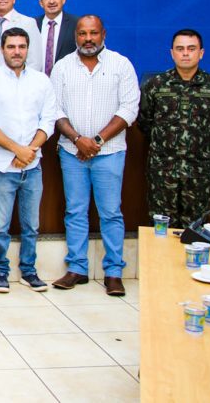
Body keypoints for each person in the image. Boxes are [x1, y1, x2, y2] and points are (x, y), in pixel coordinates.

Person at [51, 15, 139, 296]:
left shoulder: (121, 65)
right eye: (82, 33)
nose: (88, 39)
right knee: (75, 211)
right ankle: (77, 269)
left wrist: (96, 141)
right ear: (75, 36)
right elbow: (55, 109)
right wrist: (78, 140)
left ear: (103, 34)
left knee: (110, 212)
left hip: (109, 152)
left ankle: (113, 272)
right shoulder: (63, 67)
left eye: (93, 33)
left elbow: (129, 108)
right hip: (72, 152)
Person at [0, 27, 58, 293]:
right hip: (2, 165)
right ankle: (1, 270)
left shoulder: (42, 81)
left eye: (22, 46)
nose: (17, 52)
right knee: (0, 225)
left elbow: (48, 120)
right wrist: (16, 150)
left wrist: (29, 151)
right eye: (11, 46)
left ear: (28, 49)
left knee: (31, 225)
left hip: (33, 165)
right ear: (2, 49)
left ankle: (29, 271)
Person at [138, 29, 210, 227]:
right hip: (163, 171)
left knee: (197, 230)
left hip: (200, 171)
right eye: (180, 49)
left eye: (191, 48)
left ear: (201, 53)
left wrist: (200, 144)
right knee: (161, 229)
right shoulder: (155, 85)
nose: (185, 53)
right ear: (172, 53)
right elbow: (145, 122)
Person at [34, 0, 78, 76]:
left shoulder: (76, 23)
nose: (51, 1)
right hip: (38, 81)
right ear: (41, 3)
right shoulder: (33, 24)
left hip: (67, 79)